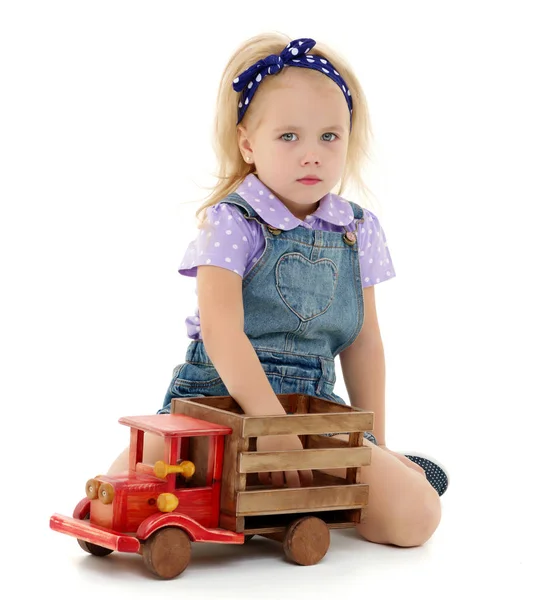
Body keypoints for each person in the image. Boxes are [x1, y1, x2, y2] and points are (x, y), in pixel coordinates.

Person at [108, 33, 449, 547]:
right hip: (214, 404)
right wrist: (270, 428)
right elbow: (223, 336)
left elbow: (363, 341)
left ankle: (377, 474)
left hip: (308, 407)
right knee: (121, 494)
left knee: (416, 518)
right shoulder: (231, 222)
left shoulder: (358, 230)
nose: (312, 155)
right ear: (249, 143)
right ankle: (249, 492)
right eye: (289, 136)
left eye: (329, 137)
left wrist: (372, 440)